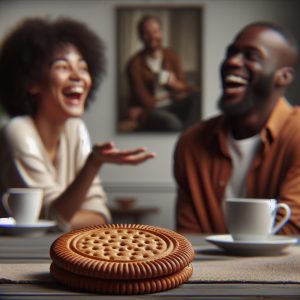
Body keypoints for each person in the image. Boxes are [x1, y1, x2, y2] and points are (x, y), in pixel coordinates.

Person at [0, 17, 155, 231]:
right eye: (62, 67)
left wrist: (57, 221)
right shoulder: (17, 131)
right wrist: (93, 164)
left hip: (62, 253)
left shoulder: (76, 129)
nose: (78, 77)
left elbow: (99, 215)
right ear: (31, 83)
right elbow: (53, 216)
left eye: (83, 67)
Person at [174, 22, 300, 234]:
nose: (232, 61)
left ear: (284, 76)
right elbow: (190, 238)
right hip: (208, 268)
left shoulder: (296, 134)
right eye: (231, 53)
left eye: (252, 56)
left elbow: (291, 232)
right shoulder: (191, 143)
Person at [126, 15, 199, 132]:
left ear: (161, 32)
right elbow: (146, 101)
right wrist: (171, 93)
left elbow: (184, 89)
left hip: (174, 104)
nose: (152, 37)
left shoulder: (171, 55)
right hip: (151, 111)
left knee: (197, 98)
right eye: (147, 33)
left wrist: (175, 85)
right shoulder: (134, 64)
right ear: (140, 37)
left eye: (155, 31)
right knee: (173, 123)